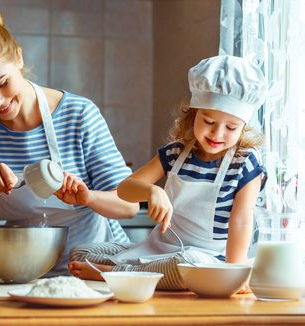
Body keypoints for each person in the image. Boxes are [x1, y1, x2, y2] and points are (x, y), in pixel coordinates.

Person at [0, 4, 140, 276]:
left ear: (19, 58)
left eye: (2, 83)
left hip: (95, 270)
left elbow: (129, 205)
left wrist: (87, 197)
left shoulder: (79, 115)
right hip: (22, 274)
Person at [69, 55, 267, 290]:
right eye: (208, 121)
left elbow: (242, 221)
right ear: (193, 114)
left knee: (188, 267)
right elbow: (124, 189)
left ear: (243, 127)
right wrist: (152, 191)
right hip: (160, 251)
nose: (217, 133)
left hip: (205, 259)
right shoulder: (176, 153)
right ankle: (130, 274)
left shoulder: (246, 162)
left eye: (231, 127)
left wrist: (234, 274)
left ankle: (116, 274)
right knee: (82, 253)